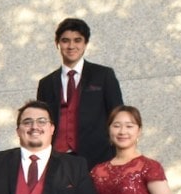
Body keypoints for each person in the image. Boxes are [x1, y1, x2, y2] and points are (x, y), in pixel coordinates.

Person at [36, 17, 125, 169]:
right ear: (57, 43)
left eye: (77, 40)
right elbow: (41, 123)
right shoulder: (46, 83)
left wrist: (119, 155)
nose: (71, 46)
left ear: (85, 44)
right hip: (57, 160)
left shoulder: (103, 75)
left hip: (98, 157)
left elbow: (117, 115)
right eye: (65, 40)